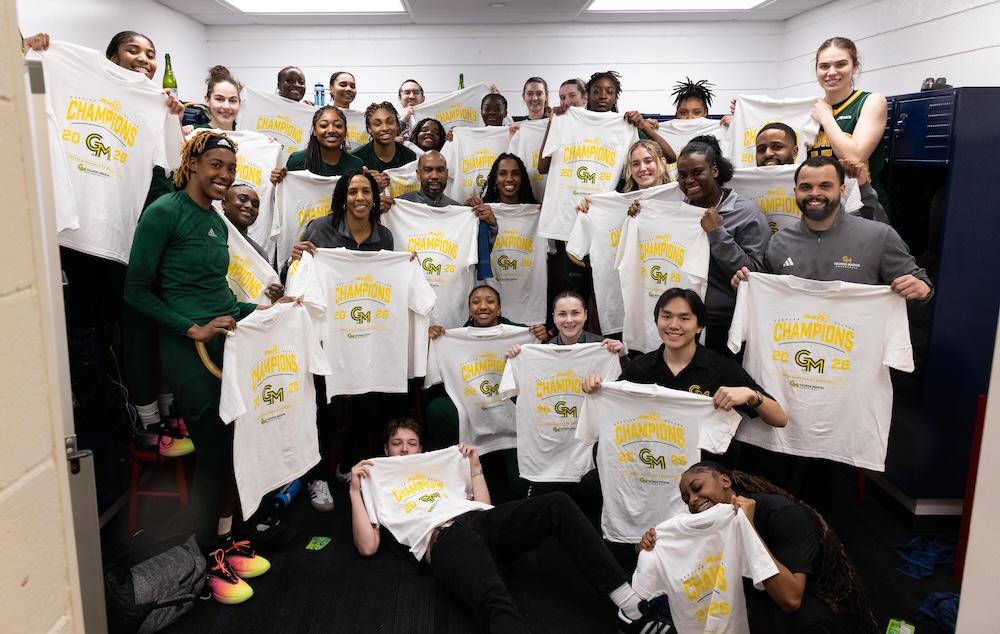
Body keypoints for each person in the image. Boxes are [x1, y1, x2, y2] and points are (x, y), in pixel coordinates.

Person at [124, 132, 276, 603]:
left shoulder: (214, 220)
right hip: (189, 351)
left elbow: (221, 296)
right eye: (215, 166)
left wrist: (266, 309)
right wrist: (189, 329)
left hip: (225, 344)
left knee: (235, 449)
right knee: (212, 451)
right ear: (192, 163)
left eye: (230, 169)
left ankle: (229, 541)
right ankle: (207, 556)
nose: (224, 176)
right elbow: (136, 291)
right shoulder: (164, 212)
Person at [350, 418, 673, 633]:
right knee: (495, 598)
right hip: (444, 539)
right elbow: (368, 546)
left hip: (481, 520)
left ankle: (629, 605)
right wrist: (354, 491)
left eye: (412, 443)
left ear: (422, 448)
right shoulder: (378, 480)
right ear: (386, 449)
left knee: (557, 503)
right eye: (397, 443)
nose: (405, 449)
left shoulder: (437, 466)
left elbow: (486, 506)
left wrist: (475, 468)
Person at [637, 461, 878, 633]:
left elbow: (791, 599)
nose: (692, 500)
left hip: (807, 603)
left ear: (725, 481)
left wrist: (749, 529)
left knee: (806, 620)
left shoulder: (781, 513)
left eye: (697, 488)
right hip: (754, 598)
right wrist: (648, 546)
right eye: (686, 498)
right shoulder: (704, 524)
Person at [286, 170, 396, 511]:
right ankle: (316, 477)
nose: (360, 198)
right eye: (353, 192)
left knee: (368, 402)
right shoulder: (321, 229)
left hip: (366, 333)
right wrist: (294, 261)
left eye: (366, 192)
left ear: (375, 198)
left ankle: (349, 466)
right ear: (342, 197)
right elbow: (294, 277)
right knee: (327, 408)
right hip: (326, 334)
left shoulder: (385, 237)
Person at [582, 288, 787, 429]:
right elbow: (612, 412)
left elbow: (780, 418)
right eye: (666, 316)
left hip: (702, 473)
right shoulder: (640, 368)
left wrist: (751, 395)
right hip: (651, 462)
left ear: (699, 326)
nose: (673, 325)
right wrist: (597, 389)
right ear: (657, 321)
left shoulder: (721, 368)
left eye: (684, 318)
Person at [732, 156, 931, 299]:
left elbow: (919, 282)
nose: (814, 193)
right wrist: (746, 286)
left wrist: (921, 289)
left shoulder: (880, 236)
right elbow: (767, 294)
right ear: (795, 192)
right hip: (793, 349)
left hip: (856, 351)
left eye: (825, 186)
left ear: (842, 190)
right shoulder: (778, 242)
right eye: (806, 187)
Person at [424, 286, 549, 500]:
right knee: (437, 409)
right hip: (472, 415)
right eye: (476, 302)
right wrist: (431, 341)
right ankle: (450, 464)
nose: (483, 306)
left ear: (499, 308)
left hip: (512, 418)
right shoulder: (452, 338)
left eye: (490, 301)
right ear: (469, 308)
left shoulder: (521, 333)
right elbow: (433, 379)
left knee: (520, 487)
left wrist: (542, 338)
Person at [674, 135, 768, 355]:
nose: (688, 180)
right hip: (684, 324)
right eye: (683, 175)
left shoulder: (746, 213)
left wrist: (717, 233)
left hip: (726, 325)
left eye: (697, 172)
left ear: (714, 171)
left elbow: (755, 273)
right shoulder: (680, 212)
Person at [807, 37, 888, 205]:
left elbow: (855, 156)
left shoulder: (871, 101)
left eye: (840, 64)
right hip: (821, 203)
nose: (831, 72)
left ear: (855, 66)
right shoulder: (812, 109)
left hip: (861, 204)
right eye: (824, 66)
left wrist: (826, 117)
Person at [754, 124, 888, 223]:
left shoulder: (824, 179)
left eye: (777, 147)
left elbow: (873, 225)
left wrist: (863, 187)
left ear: (795, 151)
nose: (768, 153)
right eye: (761, 149)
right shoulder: (742, 179)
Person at [221, 186, 285, 307]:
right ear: (224, 203)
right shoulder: (211, 233)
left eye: (255, 204)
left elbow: (267, 301)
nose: (249, 206)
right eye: (242, 199)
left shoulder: (259, 253)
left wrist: (275, 298)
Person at [271, 106, 365, 182]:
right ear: (315, 131)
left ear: (345, 131)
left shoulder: (355, 164)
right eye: (324, 126)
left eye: (338, 126)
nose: (331, 130)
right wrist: (279, 182)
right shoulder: (297, 161)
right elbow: (290, 196)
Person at [352, 102, 417, 180]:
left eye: (390, 122)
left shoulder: (409, 156)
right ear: (369, 129)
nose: (385, 128)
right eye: (377, 124)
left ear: (397, 125)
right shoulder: (357, 158)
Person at [198, 65, 241, 131]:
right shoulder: (193, 136)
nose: (226, 106)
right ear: (207, 100)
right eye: (219, 99)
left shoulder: (248, 139)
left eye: (232, 100)